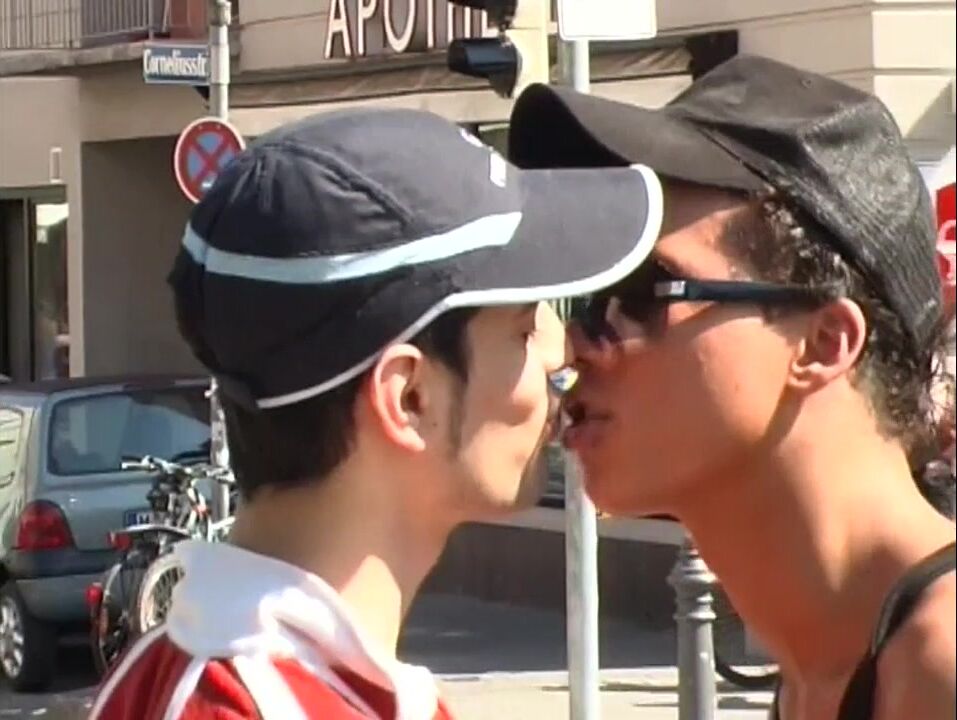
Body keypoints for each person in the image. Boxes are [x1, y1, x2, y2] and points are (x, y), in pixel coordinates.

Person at [88, 108, 663, 719]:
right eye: (523, 330)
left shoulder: (192, 672)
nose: (562, 349)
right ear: (409, 398)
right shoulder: (259, 707)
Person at [509, 55, 956, 720]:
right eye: (592, 296)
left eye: (642, 291)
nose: (579, 342)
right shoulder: (823, 665)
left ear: (823, 343)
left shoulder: (940, 664)